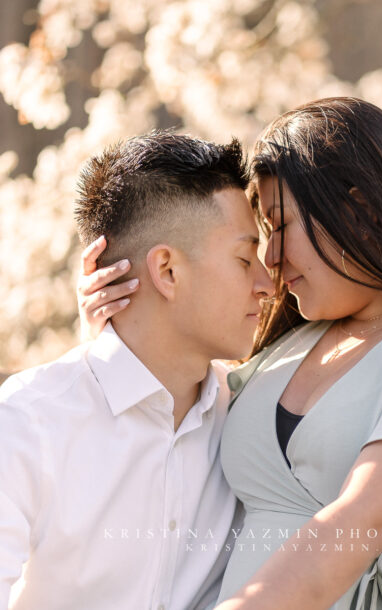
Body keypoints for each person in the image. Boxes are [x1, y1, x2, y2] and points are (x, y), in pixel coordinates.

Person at [78, 99, 382, 609]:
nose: (269, 258)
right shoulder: (282, 352)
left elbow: (359, 523)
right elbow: (171, 433)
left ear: (358, 211)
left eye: (279, 226)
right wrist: (122, 332)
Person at [0, 132, 274, 609]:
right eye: (244, 258)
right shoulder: (31, 422)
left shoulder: (251, 417)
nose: (266, 284)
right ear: (166, 271)